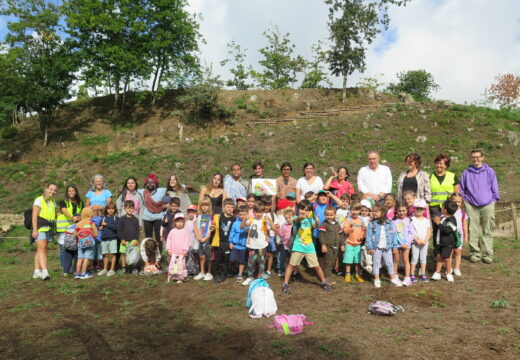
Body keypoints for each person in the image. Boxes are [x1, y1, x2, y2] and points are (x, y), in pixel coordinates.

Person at [459, 148, 500, 264]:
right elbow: (462, 189)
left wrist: (494, 200)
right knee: (473, 229)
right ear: (471, 158)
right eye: (473, 157)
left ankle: (487, 254)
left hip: (488, 204)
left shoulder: (489, 171)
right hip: (471, 205)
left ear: (482, 157)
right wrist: (466, 201)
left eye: (478, 157)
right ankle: (475, 253)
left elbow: (494, 186)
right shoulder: (466, 173)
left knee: (487, 229)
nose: (475, 159)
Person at [281, 202, 331, 293]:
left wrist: (317, 222)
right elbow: (296, 220)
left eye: (307, 210)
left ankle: (324, 282)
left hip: (309, 247)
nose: (304, 211)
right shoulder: (296, 218)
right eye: (302, 209)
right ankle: (285, 284)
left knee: (317, 266)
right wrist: (302, 216)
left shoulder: (310, 220)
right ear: (298, 209)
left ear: (310, 212)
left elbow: (314, 226)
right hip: (298, 246)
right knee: (291, 265)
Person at [365, 204, 402, 288]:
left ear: (383, 212)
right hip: (376, 247)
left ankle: (392, 278)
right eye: (373, 211)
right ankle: (377, 279)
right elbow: (368, 236)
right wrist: (370, 247)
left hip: (387, 247)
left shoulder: (390, 222)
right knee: (376, 263)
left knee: (389, 262)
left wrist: (395, 246)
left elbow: (394, 235)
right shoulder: (372, 223)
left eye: (376, 211)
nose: (374, 213)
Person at [241, 202, 275, 286]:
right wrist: (244, 220)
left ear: (263, 212)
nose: (259, 214)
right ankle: (250, 277)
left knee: (261, 262)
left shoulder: (264, 221)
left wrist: (270, 221)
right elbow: (241, 227)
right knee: (250, 262)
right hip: (252, 245)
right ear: (254, 212)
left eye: (261, 212)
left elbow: (274, 229)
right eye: (257, 212)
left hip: (262, 246)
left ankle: (260, 278)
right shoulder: (251, 220)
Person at [31, 183, 58, 280]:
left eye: (54, 190)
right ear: (46, 189)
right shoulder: (39, 200)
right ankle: (45, 272)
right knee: (42, 249)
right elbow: (34, 216)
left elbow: (54, 215)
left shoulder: (53, 202)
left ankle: (36, 271)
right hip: (40, 228)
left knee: (42, 249)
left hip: (49, 228)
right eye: (51, 189)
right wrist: (34, 230)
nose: (52, 191)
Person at [56, 185, 83, 276]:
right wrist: (72, 217)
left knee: (75, 248)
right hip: (63, 229)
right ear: (67, 192)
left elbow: (82, 213)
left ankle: (74, 268)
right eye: (69, 191)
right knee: (64, 250)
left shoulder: (80, 202)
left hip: (74, 229)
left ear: (76, 192)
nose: (71, 192)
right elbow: (64, 211)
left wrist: (80, 218)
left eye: (73, 190)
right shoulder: (63, 202)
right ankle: (65, 269)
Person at [431, 200, 459, 282]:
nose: (441, 208)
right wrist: (437, 222)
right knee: (439, 257)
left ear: (445, 210)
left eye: (442, 207)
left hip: (448, 244)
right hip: (441, 242)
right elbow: (439, 229)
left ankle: (449, 273)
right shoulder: (443, 218)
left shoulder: (452, 220)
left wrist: (439, 224)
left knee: (447, 258)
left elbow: (446, 231)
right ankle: (437, 273)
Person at [211, 198, 236, 283]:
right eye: (228, 206)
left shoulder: (234, 219)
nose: (230, 209)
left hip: (227, 243)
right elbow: (213, 226)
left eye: (232, 207)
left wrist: (232, 242)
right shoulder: (218, 217)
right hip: (218, 242)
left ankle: (222, 275)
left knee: (225, 260)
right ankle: (216, 275)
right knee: (217, 259)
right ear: (223, 207)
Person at [139, 174, 166, 250]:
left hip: (158, 217)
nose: (150, 184)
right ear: (145, 184)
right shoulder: (142, 192)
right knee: (148, 238)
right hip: (147, 218)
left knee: (159, 237)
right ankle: (149, 256)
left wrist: (185, 186)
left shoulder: (161, 190)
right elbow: (132, 189)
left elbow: (172, 187)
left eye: (152, 182)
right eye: (148, 182)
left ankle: (158, 257)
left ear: (155, 184)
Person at [342, 202, 367, 283]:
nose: (355, 212)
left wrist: (362, 236)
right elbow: (345, 231)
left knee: (357, 260)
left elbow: (364, 230)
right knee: (348, 260)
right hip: (349, 243)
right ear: (350, 210)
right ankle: (348, 274)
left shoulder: (361, 220)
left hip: (358, 244)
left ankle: (357, 274)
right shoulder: (348, 220)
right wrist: (350, 227)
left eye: (357, 210)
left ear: (359, 211)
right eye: (353, 210)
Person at [410, 199, 432, 283]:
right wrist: (417, 240)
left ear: (424, 210)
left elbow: (429, 231)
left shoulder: (426, 220)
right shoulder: (411, 219)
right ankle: (412, 274)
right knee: (414, 258)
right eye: (417, 208)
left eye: (421, 208)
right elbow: (411, 231)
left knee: (423, 258)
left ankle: (423, 274)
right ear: (414, 208)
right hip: (415, 242)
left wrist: (425, 240)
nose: (419, 210)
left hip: (424, 242)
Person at [318, 206, 342, 283]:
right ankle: (326, 277)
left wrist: (342, 245)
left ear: (335, 215)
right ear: (325, 215)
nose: (329, 217)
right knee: (327, 261)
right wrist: (323, 245)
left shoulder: (337, 224)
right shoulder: (324, 224)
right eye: (327, 215)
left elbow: (341, 235)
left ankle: (328, 274)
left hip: (336, 246)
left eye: (331, 215)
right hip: (328, 246)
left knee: (332, 261)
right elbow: (321, 235)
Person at [74, 207, 99, 279]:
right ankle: (83, 273)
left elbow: (75, 234)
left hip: (80, 243)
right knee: (86, 258)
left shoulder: (78, 223)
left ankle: (77, 273)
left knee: (80, 258)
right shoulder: (91, 223)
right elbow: (96, 234)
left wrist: (81, 235)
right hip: (89, 243)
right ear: (91, 214)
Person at [193, 197, 214, 281]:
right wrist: (198, 237)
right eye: (203, 205)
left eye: (206, 205)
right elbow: (195, 227)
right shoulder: (198, 216)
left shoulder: (212, 216)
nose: (204, 207)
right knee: (201, 256)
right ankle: (202, 272)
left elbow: (212, 229)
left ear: (209, 206)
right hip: (200, 240)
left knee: (209, 257)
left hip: (208, 240)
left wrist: (205, 238)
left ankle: (209, 273)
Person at [392, 203, 414, 286]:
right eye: (399, 211)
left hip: (406, 244)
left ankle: (407, 277)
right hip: (396, 244)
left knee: (406, 259)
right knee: (396, 259)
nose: (402, 212)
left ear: (407, 211)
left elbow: (411, 233)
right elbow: (393, 233)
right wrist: (397, 244)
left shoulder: (409, 220)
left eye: (403, 210)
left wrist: (407, 243)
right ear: (396, 211)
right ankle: (395, 275)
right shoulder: (393, 221)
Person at [166, 213, 191, 283]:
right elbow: (169, 241)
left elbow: (186, 242)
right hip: (173, 253)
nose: (179, 223)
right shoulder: (172, 231)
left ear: (183, 223)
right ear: (175, 222)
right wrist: (169, 250)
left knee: (182, 266)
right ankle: (173, 277)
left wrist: (185, 250)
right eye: (178, 221)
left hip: (181, 253)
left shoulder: (185, 232)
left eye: (181, 222)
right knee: (174, 265)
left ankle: (181, 278)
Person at [117, 200, 140, 274]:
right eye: (127, 208)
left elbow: (137, 231)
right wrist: (122, 239)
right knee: (123, 254)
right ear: (124, 209)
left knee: (134, 253)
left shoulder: (135, 220)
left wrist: (136, 239)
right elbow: (119, 230)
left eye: (131, 208)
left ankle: (134, 268)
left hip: (133, 240)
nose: (129, 209)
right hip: (124, 240)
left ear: (134, 209)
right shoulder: (121, 219)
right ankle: (124, 267)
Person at [229, 206, 249, 283]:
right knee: (232, 259)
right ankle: (232, 269)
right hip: (235, 245)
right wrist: (230, 242)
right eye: (241, 214)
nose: (242, 216)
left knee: (242, 261)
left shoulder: (249, 223)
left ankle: (240, 274)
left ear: (247, 214)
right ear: (238, 215)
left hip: (243, 246)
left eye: (244, 214)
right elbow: (232, 233)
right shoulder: (235, 223)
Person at [450, 193, 468, 276]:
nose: (457, 203)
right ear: (450, 201)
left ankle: (456, 268)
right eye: (455, 201)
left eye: (459, 202)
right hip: (449, 235)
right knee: (449, 252)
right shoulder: (448, 211)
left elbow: (464, 224)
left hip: (458, 235)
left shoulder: (462, 213)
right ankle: (449, 267)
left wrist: (466, 235)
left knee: (457, 251)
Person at [98, 203, 118, 276]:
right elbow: (99, 226)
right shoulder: (103, 218)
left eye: (112, 208)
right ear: (106, 210)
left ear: (115, 210)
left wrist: (107, 225)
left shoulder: (116, 218)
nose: (111, 210)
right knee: (105, 255)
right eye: (109, 209)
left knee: (113, 254)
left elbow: (116, 228)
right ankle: (105, 269)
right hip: (104, 239)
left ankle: (112, 269)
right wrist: (100, 228)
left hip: (113, 239)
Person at [263, 197, 279, 279]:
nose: (266, 207)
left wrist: (274, 237)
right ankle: (261, 269)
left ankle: (268, 270)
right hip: (261, 237)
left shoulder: (273, 215)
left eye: (268, 205)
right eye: (265, 205)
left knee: (269, 254)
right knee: (262, 253)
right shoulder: (260, 213)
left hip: (271, 237)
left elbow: (276, 227)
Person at [276, 208, 295, 277]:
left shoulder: (295, 225)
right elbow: (282, 235)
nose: (288, 220)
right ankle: (286, 271)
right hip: (286, 245)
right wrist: (278, 230)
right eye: (286, 218)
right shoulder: (284, 226)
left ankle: (294, 272)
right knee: (286, 259)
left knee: (293, 259)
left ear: (294, 216)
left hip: (294, 245)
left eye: (290, 218)